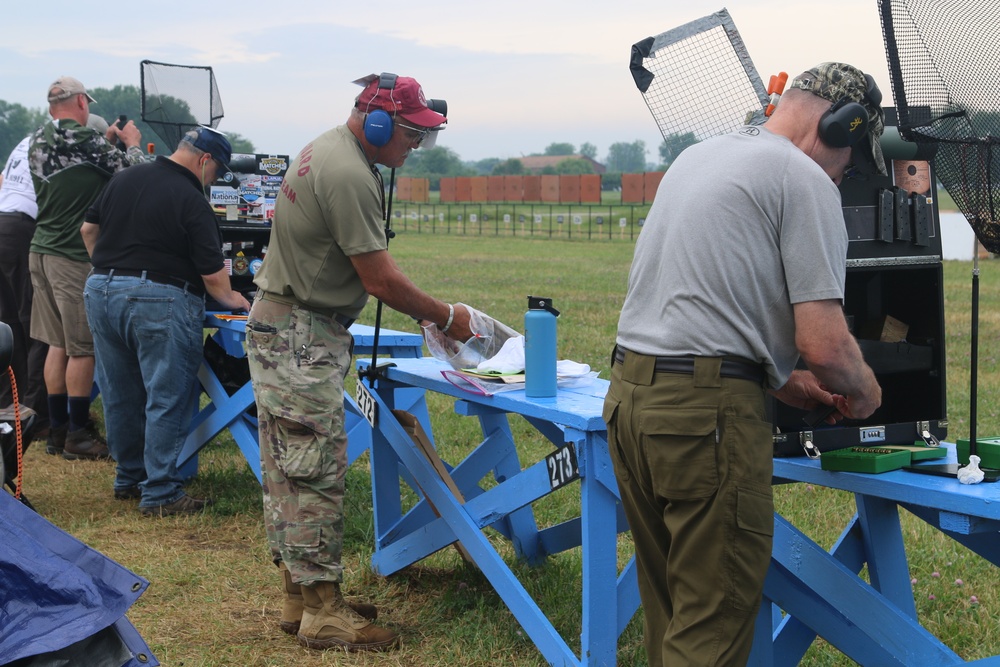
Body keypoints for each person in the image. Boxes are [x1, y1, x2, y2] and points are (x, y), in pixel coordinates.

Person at [603, 61, 885, 666]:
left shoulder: (697, 158)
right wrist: (864, 393)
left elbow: (697, 302)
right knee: (712, 627)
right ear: (841, 127)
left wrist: (780, 379)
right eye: (854, 160)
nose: (846, 174)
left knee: (675, 611)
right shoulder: (805, 181)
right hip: (704, 421)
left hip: (631, 401)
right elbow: (827, 347)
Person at [245, 73, 472, 652]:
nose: (414, 148)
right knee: (314, 469)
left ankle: (300, 598)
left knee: (288, 467)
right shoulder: (347, 172)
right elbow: (379, 277)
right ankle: (323, 613)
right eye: (410, 135)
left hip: (284, 326)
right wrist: (445, 317)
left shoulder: (325, 148)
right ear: (377, 124)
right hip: (301, 333)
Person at [81, 127, 250, 515]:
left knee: (119, 392)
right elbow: (214, 279)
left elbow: (88, 230)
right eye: (216, 172)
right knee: (167, 394)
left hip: (101, 290)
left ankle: (129, 477)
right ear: (205, 160)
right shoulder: (191, 199)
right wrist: (236, 299)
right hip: (158, 296)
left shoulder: (123, 177)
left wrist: (109, 269)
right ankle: (160, 492)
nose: (214, 180)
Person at [28, 76, 144, 460]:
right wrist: (129, 144)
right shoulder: (88, 142)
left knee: (56, 344)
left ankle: (57, 430)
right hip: (72, 255)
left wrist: (105, 142)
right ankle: (80, 433)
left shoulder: (37, 140)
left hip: (41, 249)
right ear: (80, 102)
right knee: (83, 348)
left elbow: (76, 169)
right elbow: (132, 175)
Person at [1, 114, 111, 441]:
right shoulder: (82, 153)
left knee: (11, 330)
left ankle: (13, 410)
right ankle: (44, 419)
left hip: (9, 226)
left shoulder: (32, 141)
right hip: (38, 238)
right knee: (58, 340)